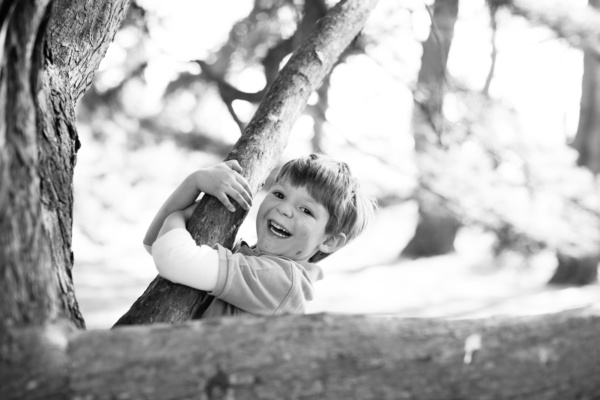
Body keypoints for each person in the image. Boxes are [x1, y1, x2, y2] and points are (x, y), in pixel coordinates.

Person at [143, 153, 376, 319]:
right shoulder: (248, 256)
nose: (284, 209)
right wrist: (193, 182)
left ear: (329, 240)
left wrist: (181, 214)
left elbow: (172, 258)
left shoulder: (284, 281)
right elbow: (155, 244)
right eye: (279, 194)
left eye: (306, 210)